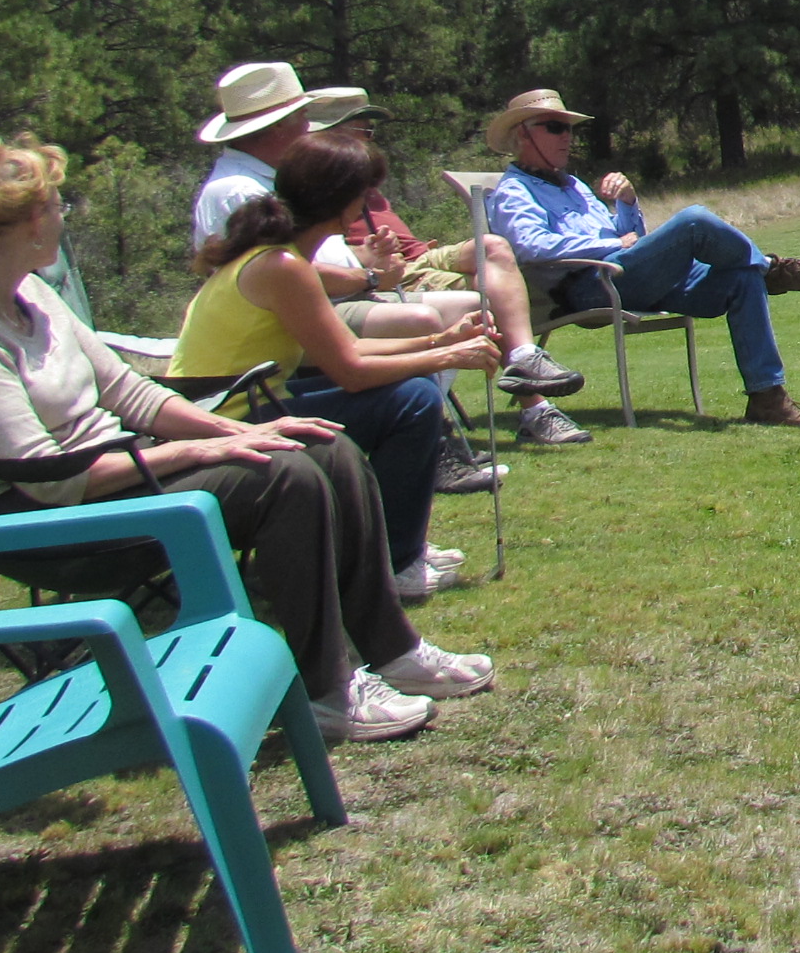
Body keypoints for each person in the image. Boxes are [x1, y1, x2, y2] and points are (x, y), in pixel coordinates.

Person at [0, 131, 492, 745]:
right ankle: (327, 691)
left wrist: (244, 429)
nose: (62, 220)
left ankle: (394, 650)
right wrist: (202, 450)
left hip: (119, 478)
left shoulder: (32, 295)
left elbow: (130, 393)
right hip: (51, 524)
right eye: (57, 207)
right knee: (283, 476)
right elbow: (53, 479)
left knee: (324, 445)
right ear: (27, 223)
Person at [191, 61, 590, 478]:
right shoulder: (242, 195)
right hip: (245, 395)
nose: (310, 129)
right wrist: (436, 343)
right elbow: (345, 361)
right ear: (277, 128)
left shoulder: (264, 188)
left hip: (294, 345)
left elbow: (338, 330)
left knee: (477, 282)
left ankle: (513, 381)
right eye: (303, 118)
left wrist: (436, 338)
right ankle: (436, 446)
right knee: (419, 350)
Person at [173, 132, 504, 603]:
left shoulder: (277, 258)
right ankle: (395, 561)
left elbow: (346, 348)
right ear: (345, 204)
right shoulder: (282, 267)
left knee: (410, 393)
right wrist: (448, 357)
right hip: (233, 420)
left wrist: (441, 340)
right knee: (413, 401)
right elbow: (350, 370)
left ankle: (391, 546)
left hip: (241, 405)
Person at [481, 87, 800, 427]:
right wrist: (611, 245)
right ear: (523, 134)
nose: (567, 137)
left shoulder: (574, 186)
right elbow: (531, 247)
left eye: (569, 128)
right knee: (694, 221)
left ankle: (767, 399)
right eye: (555, 127)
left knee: (742, 277)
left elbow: (630, 237)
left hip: (629, 275)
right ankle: (772, 269)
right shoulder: (514, 191)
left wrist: (628, 203)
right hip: (588, 286)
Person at [309, 103, 593, 449]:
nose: (371, 138)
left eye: (372, 130)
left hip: (419, 255)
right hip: (385, 270)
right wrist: (367, 262)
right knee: (486, 293)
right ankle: (535, 410)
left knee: (493, 246)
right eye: (362, 129)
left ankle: (524, 357)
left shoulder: (365, 182)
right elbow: (320, 254)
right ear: (325, 134)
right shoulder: (319, 185)